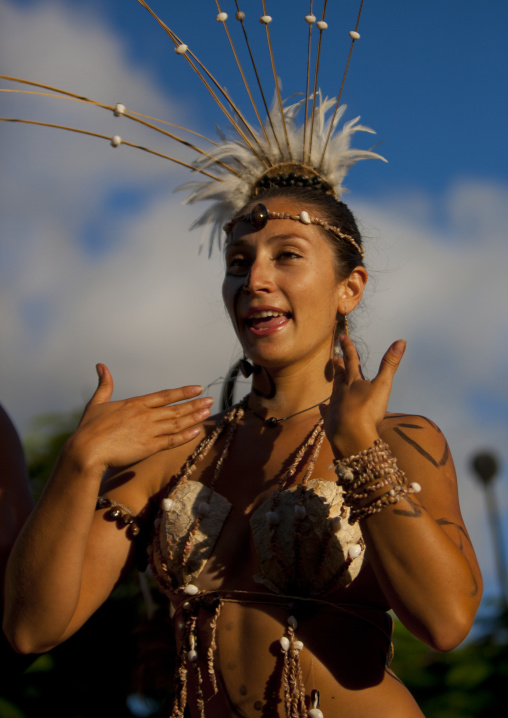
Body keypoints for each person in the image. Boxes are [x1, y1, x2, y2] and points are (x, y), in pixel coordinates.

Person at [1, 3, 482, 715]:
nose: (254, 278)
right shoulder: (177, 454)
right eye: (237, 260)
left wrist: (356, 448)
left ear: (350, 287)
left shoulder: (404, 441)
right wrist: (79, 464)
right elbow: (31, 626)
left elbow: (445, 622)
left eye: (288, 256)